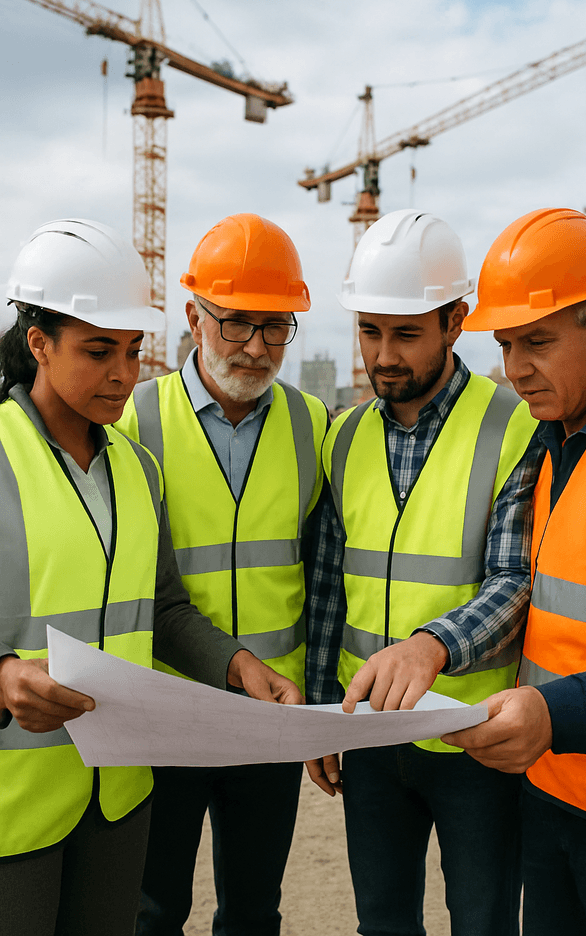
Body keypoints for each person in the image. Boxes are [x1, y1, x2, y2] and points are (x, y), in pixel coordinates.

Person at [0, 218, 301, 936]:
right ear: (39, 342)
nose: (123, 374)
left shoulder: (136, 468)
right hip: (13, 805)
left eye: (134, 352)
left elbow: (162, 608)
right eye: (99, 351)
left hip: (119, 797)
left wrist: (234, 664)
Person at [305, 208, 542, 936]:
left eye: (405, 334)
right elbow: (327, 582)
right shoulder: (343, 435)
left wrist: (430, 646)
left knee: (483, 921)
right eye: (369, 331)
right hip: (372, 736)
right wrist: (320, 712)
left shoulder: (515, 427)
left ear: (455, 321)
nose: (383, 355)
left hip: (475, 734)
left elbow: (514, 579)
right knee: (381, 921)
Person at [116, 212, 327, 936]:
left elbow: (323, 574)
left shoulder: (313, 425)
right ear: (193, 315)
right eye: (236, 323)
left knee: (253, 911)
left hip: (272, 714)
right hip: (165, 711)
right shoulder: (135, 422)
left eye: (276, 327)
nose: (257, 346)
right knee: (153, 909)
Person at [444, 207, 586, 936]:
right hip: (552, 795)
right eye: (505, 345)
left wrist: (555, 714)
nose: (514, 369)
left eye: (538, 342)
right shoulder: (554, 444)